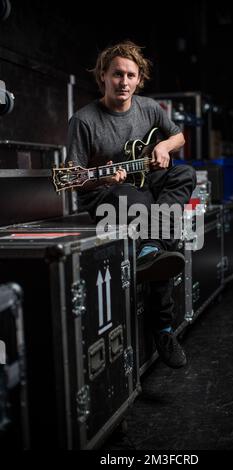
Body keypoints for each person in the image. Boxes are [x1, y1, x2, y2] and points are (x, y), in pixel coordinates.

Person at [66, 40, 196, 368]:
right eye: (117, 75)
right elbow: (70, 177)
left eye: (131, 75)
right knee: (144, 206)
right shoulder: (83, 120)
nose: (124, 82)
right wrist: (103, 178)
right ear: (103, 77)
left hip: (144, 186)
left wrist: (165, 146)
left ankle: (151, 247)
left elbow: (180, 136)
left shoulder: (149, 108)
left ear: (139, 79)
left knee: (185, 175)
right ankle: (164, 328)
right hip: (105, 197)